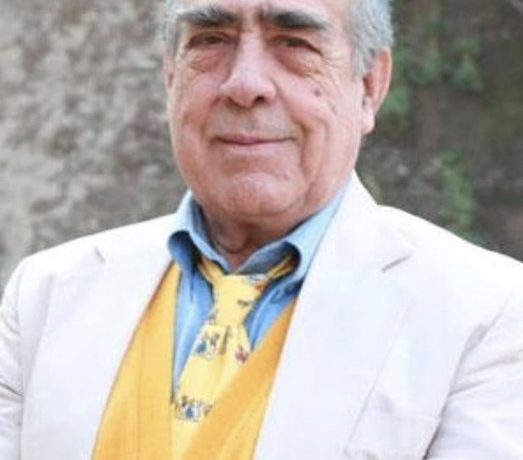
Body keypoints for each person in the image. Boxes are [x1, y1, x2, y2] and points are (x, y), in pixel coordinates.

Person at [1, 0, 523, 458]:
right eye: (210, 39)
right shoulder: (45, 296)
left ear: (369, 86)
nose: (245, 84)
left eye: (294, 43)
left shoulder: (484, 314)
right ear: (170, 75)